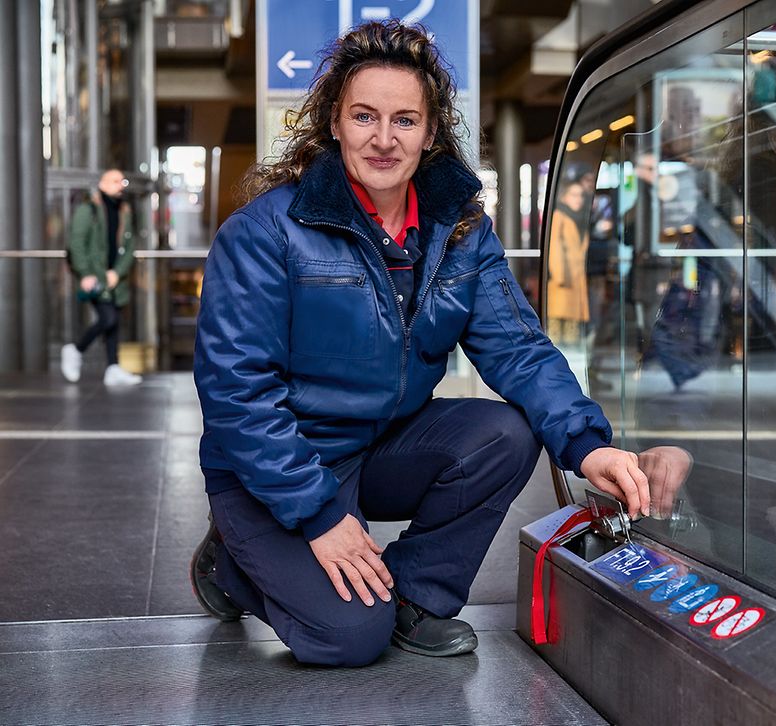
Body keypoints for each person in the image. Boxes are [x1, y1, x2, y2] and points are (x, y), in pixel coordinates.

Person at [190, 20, 654, 668]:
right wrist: (318, 515)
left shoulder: (458, 231)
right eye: (364, 117)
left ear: (430, 133)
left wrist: (587, 445)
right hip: (275, 463)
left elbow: (516, 347)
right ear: (334, 123)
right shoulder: (267, 232)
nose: (384, 139)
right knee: (349, 637)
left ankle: (414, 595)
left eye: (405, 120)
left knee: (505, 434)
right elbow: (237, 394)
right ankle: (234, 563)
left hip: (377, 444)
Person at [60, 169, 143, 386]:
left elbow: (130, 245)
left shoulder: (124, 210)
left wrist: (117, 272)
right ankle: (76, 349)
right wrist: (85, 273)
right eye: (115, 181)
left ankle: (112, 367)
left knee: (114, 323)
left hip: (116, 279)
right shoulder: (88, 210)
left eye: (122, 180)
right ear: (102, 184)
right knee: (108, 319)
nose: (121, 185)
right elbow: (76, 244)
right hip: (95, 277)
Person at [546, 177, 591, 346]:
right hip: (563, 282)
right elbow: (554, 248)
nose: (578, 199)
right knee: (557, 333)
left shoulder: (578, 219)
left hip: (575, 282)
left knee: (572, 332)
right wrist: (560, 277)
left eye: (580, 195)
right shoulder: (560, 216)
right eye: (573, 195)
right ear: (564, 196)